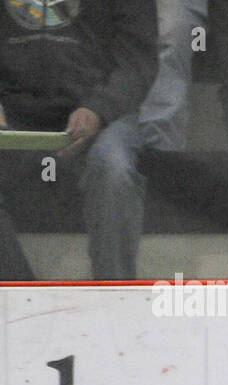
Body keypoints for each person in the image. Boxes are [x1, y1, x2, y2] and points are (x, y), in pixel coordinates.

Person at [0, 0, 158, 280]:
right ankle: (20, 299)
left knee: (114, 171)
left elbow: (139, 59)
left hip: (102, 110)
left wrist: (99, 108)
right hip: (11, 110)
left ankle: (115, 299)